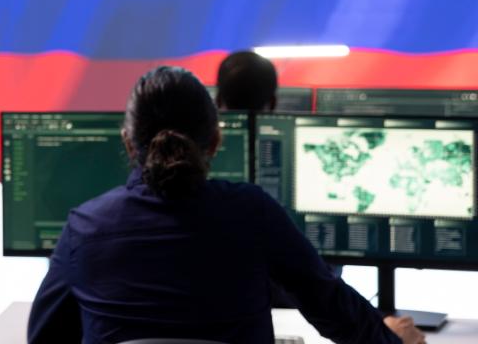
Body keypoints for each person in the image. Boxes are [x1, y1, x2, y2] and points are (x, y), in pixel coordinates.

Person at [26, 66, 425, 344]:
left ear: (129, 142)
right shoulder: (252, 212)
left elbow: (43, 337)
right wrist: (391, 340)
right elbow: (333, 309)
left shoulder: (85, 227)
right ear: (216, 140)